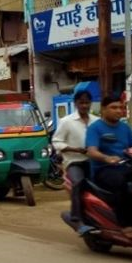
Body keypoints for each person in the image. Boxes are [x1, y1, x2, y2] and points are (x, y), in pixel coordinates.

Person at [86, 91, 132, 237]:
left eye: (121, 107)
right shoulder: (95, 128)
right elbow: (91, 151)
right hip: (104, 170)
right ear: (103, 109)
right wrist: (106, 158)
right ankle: (125, 224)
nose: (119, 111)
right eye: (114, 107)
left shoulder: (124, 128)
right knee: (122, 183)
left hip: (125, 167)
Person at [52, 89, 93, 225]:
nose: (84, 106)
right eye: (81, 103)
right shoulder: (66, 121)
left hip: (94, 162)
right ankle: (76, 217)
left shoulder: (96, 121)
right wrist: (75, 149)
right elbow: (56, 141)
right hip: (74, 162)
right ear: (76, 103)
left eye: (87, 103)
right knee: (78, 182)